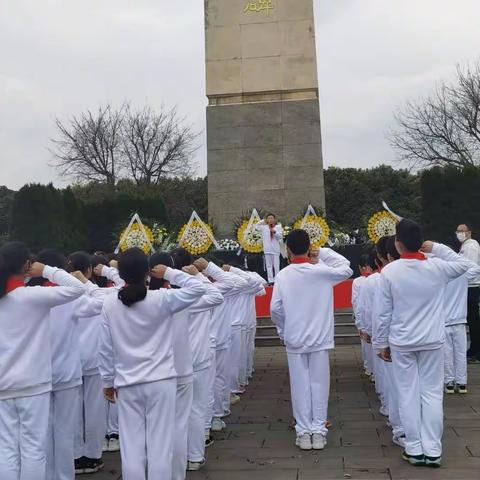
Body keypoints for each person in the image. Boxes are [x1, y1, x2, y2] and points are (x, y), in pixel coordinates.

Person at [99, 248, 206, 480]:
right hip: (161, 381)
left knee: (132, 449)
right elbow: (199, 288)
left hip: (127, 383)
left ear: (121, 273)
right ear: (147, 273)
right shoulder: (162, 299)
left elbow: (105, 349)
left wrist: (108, 381)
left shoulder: (109, 304)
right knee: (160, 446)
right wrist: (170, 273)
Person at [375, 219, 473, 468]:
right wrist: (437, 248)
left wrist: (381, 344)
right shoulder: (437, 266)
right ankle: (433, 449)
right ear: (421, 243)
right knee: (431, 394)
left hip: (402, 342)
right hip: (431, 340)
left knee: (407, 393)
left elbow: (383, 313)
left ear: (398, 244)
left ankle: (415, 448)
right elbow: (466, 265)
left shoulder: (389, 272)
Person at [0, 241, 86, 480]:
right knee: (33, 449)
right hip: (33, 384)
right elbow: (78, 288)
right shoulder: (32, 296)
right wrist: (48, 270)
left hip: (4, 385)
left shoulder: (19, 296)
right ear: (27, 265)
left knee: (6, 450)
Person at [270, 229, 352, 451]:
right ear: (309, 247)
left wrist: (283, 330)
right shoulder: (322, 271)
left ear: (287, 250)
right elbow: (346, 267)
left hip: (295, 338)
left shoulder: (284, 275)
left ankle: (304, 432)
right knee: (319, 384)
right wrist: (322, 253)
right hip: (319, 339)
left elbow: (275, 308)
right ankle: (319, 431)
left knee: (299, 386)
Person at [441, 237, 480, 394]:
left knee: (447, 354)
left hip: (444, 322)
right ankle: (462, 382)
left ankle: (449, 382)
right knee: (459, 353)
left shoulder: (440, 276)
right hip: (460, 321)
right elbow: (476, 268)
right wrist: (458, 259)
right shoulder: (462, 274)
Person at [456, 224, 480, 362]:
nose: (459, 233)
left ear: (469, 232)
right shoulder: (465, 246)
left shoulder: (471, 246)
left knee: (473, 320)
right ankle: (474, 349)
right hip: (467, 286)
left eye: (462, 231)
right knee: (472, 319)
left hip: (471, 286)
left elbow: (470, 267)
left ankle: (475, 350)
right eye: (458, 231)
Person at [351, 253, 375, 377]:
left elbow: (355, 301)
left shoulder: (358, 281)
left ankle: (368, 367)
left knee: (366, 343)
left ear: (361, 267)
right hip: (375, 316)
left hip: (364, 315)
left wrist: (358, 321)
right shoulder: (379, 278)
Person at [256, 213, 283, 283]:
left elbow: (280, 236)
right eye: (269, 218)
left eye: (272, 218)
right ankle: (270, 280)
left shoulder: (278, 227)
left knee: (276, 266)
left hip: (275, 250)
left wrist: (274, 232)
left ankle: (277, 280)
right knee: (269, 266)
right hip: (267, 250)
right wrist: (263, 221)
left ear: (274, 219)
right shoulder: (264, 227)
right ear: (267, 220)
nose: (270, 219)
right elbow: (256, 227)